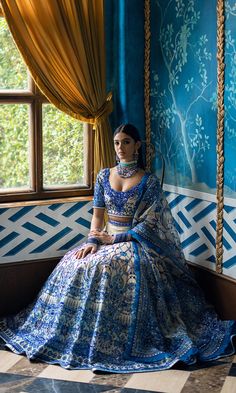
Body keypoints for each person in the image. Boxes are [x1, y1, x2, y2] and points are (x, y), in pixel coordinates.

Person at [0, 123, 235, 373]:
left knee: (108, 267)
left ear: (137, 146)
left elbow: (150, 225)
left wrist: (116, 240)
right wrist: (93, 241)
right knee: (75, 262)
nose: (120, 148)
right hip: (103, 239)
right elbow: (97, 216)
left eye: (125, 142)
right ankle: (69, 336)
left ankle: (113, 344)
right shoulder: (103, 175)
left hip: (135, 243)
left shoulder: (149, 182)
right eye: (116, 143)